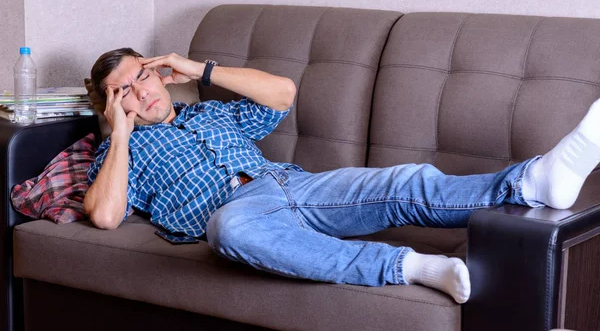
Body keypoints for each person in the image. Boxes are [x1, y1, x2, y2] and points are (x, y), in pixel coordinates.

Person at [85, 47, 599, 304]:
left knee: (403, 180)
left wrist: (198, 69)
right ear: (112, 103)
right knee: (229, 231)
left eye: (144, 74)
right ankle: (410, 267)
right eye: (123, 89)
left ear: (160, 72)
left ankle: (531, 182)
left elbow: (283, 92)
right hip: (241, 214)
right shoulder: (123, 153)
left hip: (293, 184)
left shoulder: (210, 113)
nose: (142, 90)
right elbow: (105, 216)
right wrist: (120, 132)